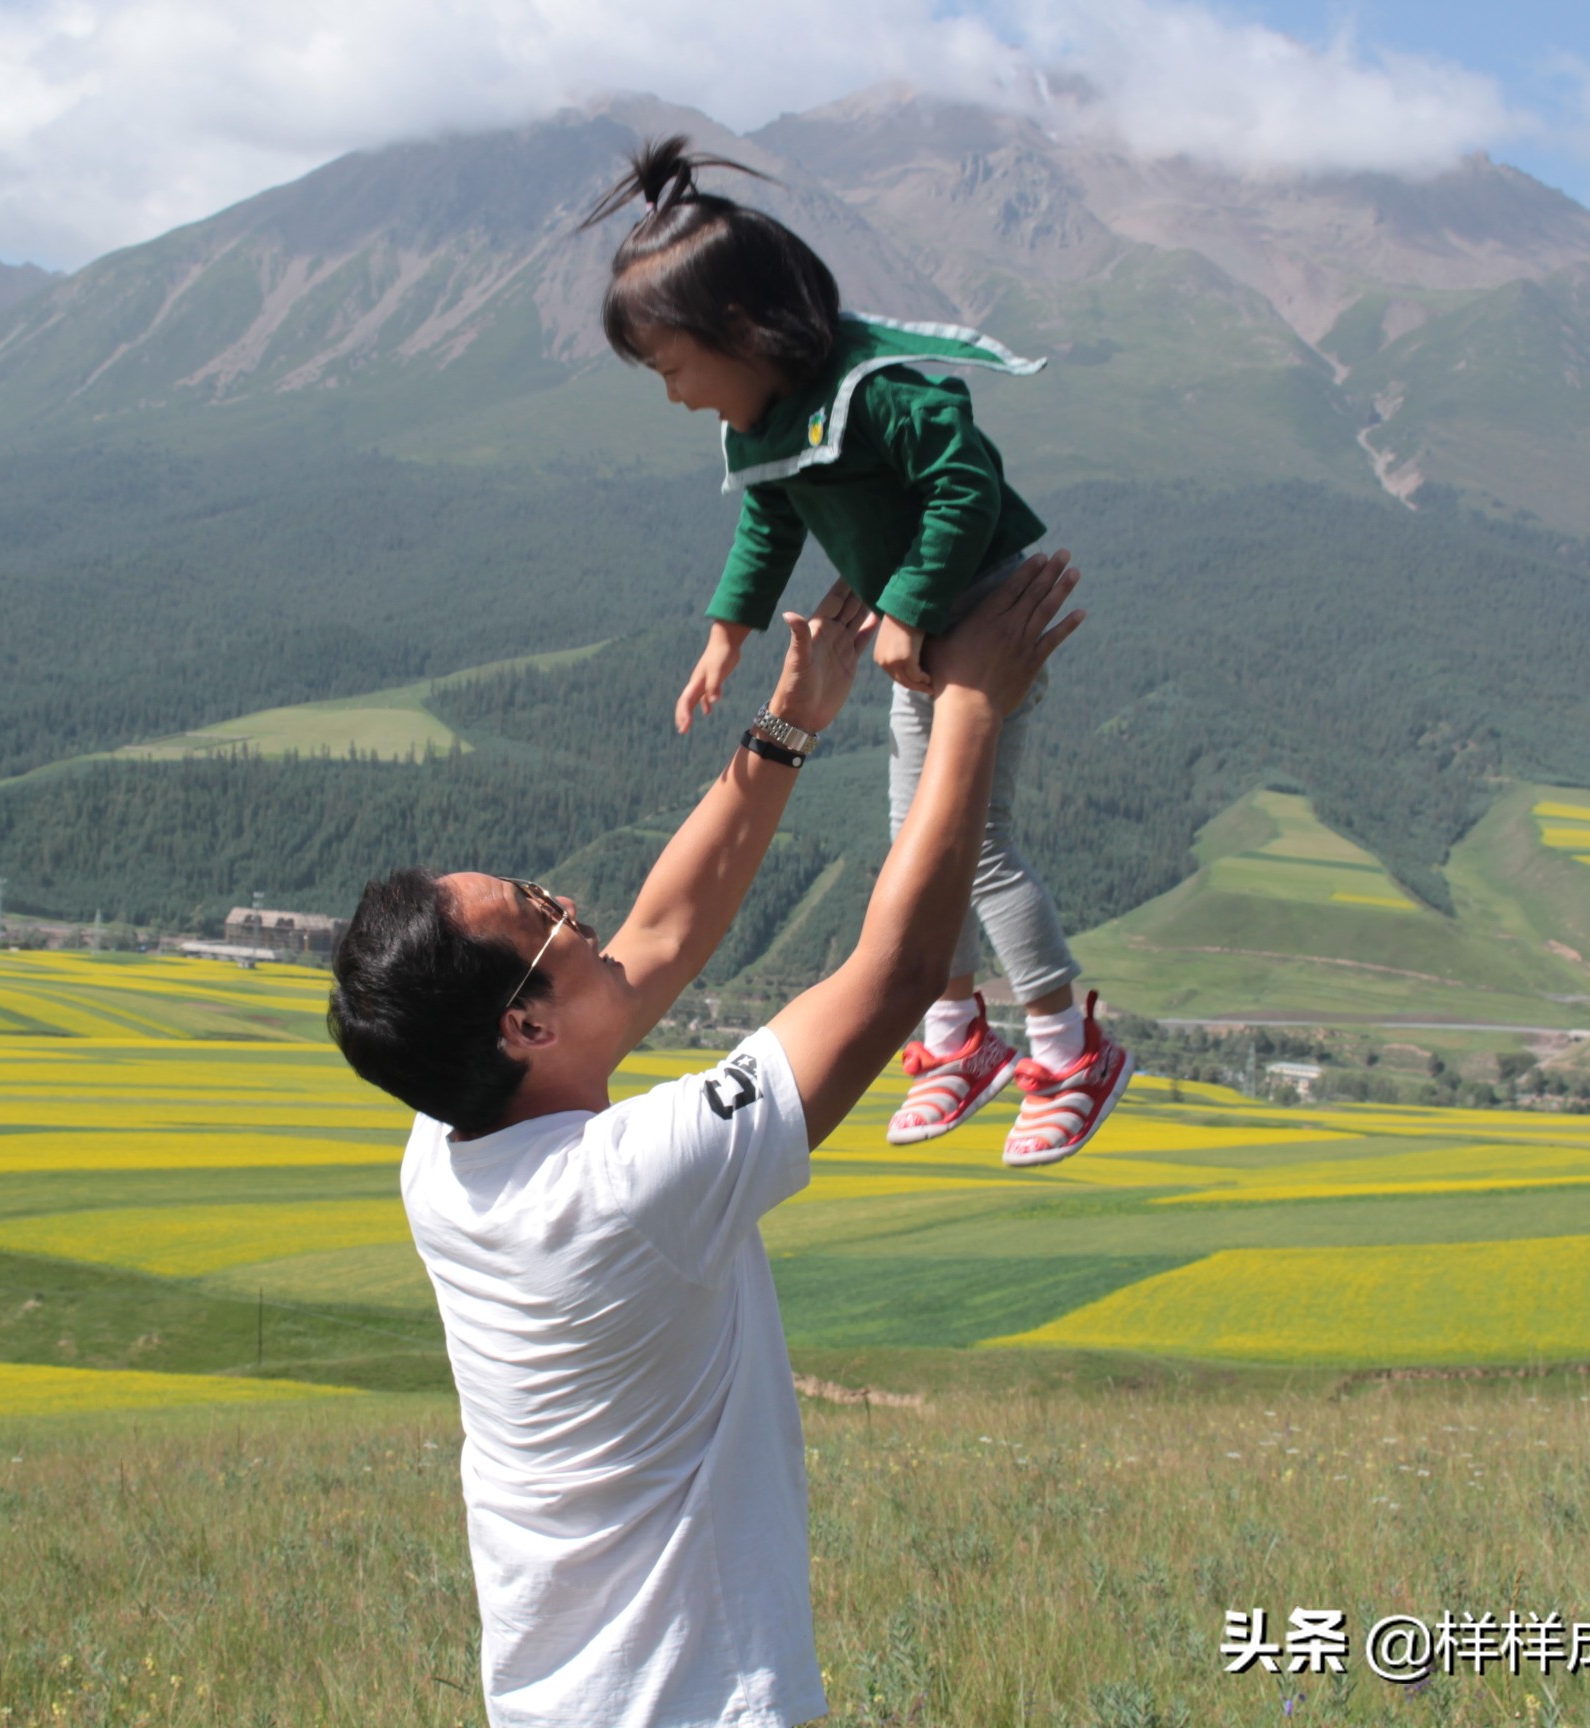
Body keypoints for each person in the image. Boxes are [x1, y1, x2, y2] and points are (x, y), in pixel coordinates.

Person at [329, 551, 1084, 1727]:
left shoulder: (447, 1147)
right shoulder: (628, 1191)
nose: (575, 908)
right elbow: (889, 981)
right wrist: (972, 704)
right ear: (526, 1023)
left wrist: (789, 723)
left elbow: (665, 929)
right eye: (544, 913)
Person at [581, 135, 1131, 1168]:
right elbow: (769, 519)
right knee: (918, 840)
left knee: (977, 841)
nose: (673, 395)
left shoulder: (875, 390)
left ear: (741, 332)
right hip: (920, 635)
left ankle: (1069, 1045)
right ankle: (958, 1034)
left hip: (981, 613)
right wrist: (727, 630)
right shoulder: (776, 412)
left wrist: (915, 606)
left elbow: (966, 479)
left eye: (672, 367)